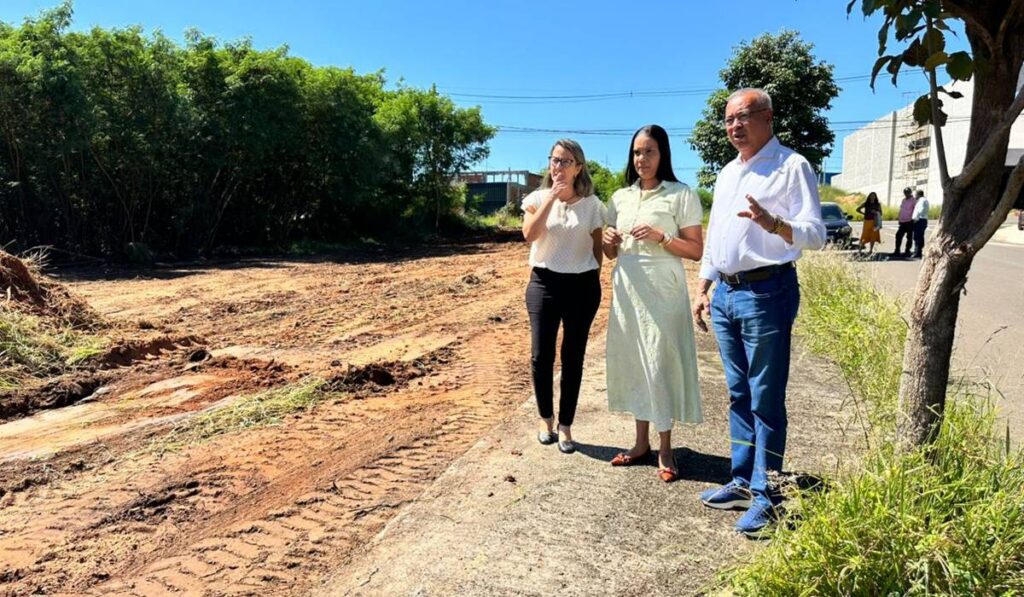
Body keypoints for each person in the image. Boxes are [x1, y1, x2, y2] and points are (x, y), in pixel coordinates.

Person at [692, 88, 826, 538]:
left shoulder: (791, 166)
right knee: (737, 393)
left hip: (768, 292)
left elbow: (815, 234)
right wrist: (704, 286)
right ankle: (742, 479)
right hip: (727, 295)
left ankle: (768, 496)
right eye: (728, 119)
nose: (734, 126)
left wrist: (775, 224)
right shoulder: (728, 173)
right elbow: (715, 237)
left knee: (765, 396)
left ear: (767, 116)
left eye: (743, 117)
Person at [602, 124, 704, 483]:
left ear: (663, 155)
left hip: (664, 289)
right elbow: (611, 252)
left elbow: (695, 250)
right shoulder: (620, 197)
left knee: (660, 363)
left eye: (649, 152)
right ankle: (640, 443)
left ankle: (665, 447)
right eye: (636, 153)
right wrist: (608, 240)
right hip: (628, 288)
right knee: (635, 362)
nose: (641, 159)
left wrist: (663, 237)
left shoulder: (680, 194)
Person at [522, 139, 605, 455]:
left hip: (581, 287)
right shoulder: (537, 198)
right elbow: (529, 234)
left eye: (566, 161)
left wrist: (592, 280)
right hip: (543, 284)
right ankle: (546, 419)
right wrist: (552, 198)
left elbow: (598, 250)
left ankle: (566, 424)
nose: (558, 166)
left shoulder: (593, 205)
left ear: (578, 167)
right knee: (541, 356)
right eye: (554, 160)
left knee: (573, 358)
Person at [893, 187, 917, 258]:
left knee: (909, 237)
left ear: (910, 192)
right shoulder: (903, 200)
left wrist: (913, 219)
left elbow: (916, 210)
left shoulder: (913, 200)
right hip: (902, 221)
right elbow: (901, 209)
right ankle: (897, 250)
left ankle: (907, 251)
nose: (906, 193)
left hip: (909, 221)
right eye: (905, 192)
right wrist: (899, 218)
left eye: (907, 192)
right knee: (898, 236)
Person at [911, 189, 929, 259]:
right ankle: (919, 251)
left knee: (917, 237)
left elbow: (920, 210)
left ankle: (917, 252)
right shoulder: (924, 200)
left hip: (919, 220)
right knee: (920, 237)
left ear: (918, 194)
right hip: (922, 220)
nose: (915, 196)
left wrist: (916, 218)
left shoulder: (922, 200)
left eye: (916, 194)